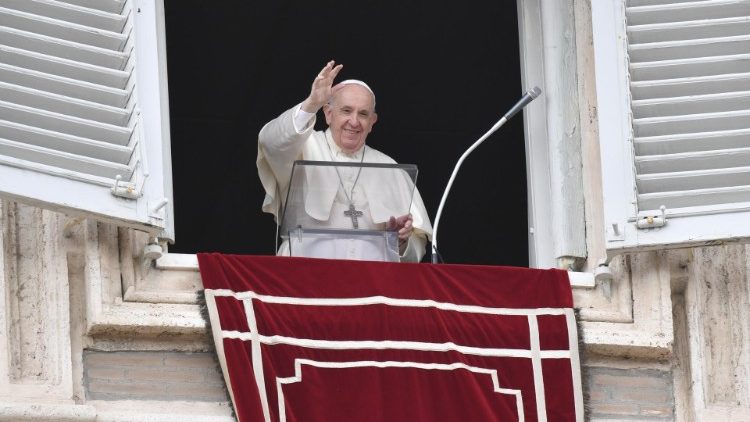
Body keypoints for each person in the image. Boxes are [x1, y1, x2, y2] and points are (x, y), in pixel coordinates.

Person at [257, 60, 432, 262]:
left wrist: (400, 240)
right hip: (305, 276)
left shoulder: (391, 168)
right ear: (329, 113)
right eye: (346, 111)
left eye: (363, 114)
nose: (355, 122)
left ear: (372, 123)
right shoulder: (303, 147)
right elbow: (270, 142)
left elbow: (416, 249)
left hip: (371, 284)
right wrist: (311, 104)